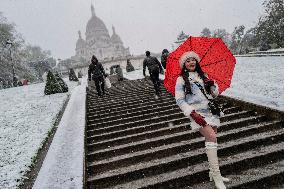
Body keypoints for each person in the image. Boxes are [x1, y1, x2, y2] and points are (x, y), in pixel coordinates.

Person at [175, 51, 229, 189]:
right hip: (197, 114)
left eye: (193, 60)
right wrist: (192, 113)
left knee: (212, 140)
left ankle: (212, 172)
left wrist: (212, 86)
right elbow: (180, 100)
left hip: (211, 111)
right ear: (184, 64)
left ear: (197, 62)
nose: (191, 62)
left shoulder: (204, 76)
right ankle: (217, 177)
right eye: (188, 61)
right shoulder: (181, 79)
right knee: (211, 137)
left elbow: (215, 95)